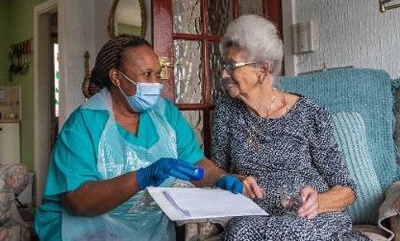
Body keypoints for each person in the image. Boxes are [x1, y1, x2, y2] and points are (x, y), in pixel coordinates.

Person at [34, 34, 243, 241]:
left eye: (158, 74)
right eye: (147, 74)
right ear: (116, 78)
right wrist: (141, 177)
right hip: (83, 230)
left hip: (147, 230)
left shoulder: (166, 114)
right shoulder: (83, 124)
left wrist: (220, 178)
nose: (156, 83)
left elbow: (195, 163)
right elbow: (77, 201)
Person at [212, 15, 371, 240]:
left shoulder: (309, 113)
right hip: (257, 218)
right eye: (223, 65)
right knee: (239, 231)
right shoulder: (226, 111)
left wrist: (318, 202)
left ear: (263, 71)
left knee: (293, 230)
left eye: (232, 66)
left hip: (312, 217)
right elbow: (217, 175)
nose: (223, 74)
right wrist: (234, 179)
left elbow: (347, 190)